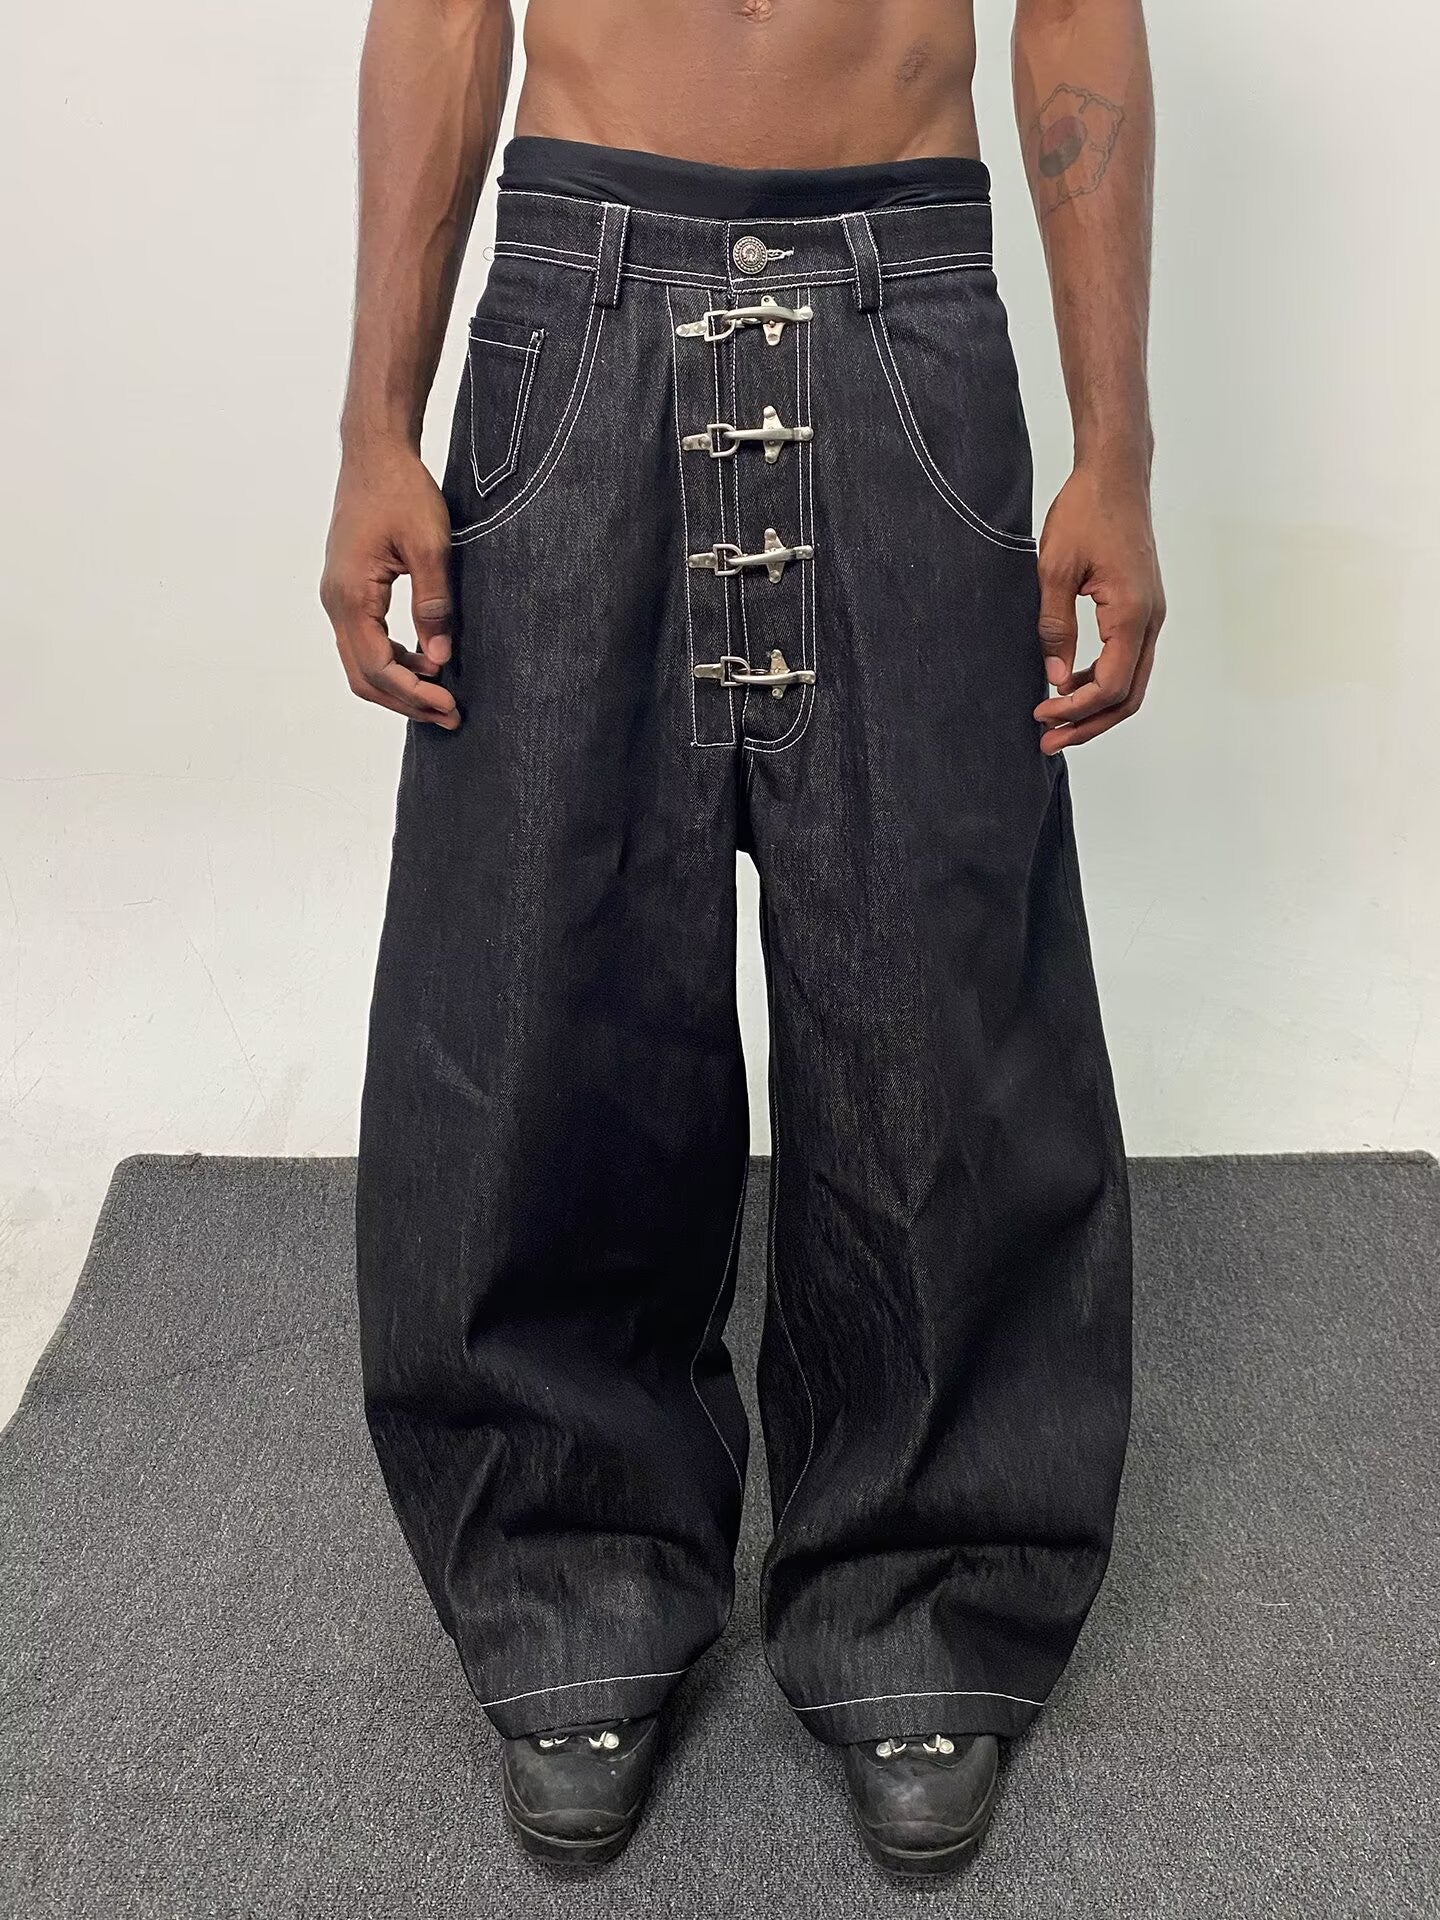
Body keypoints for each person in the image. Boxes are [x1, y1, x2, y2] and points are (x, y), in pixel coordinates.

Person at [321, 0, 1163, 1882]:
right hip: (579, 297)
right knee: (547, 977)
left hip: (905, 300)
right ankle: (569, 1575)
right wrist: (376, 423)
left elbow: (1076, 11)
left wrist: (1116, 443)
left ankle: (926, 1591)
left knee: (937, 987)